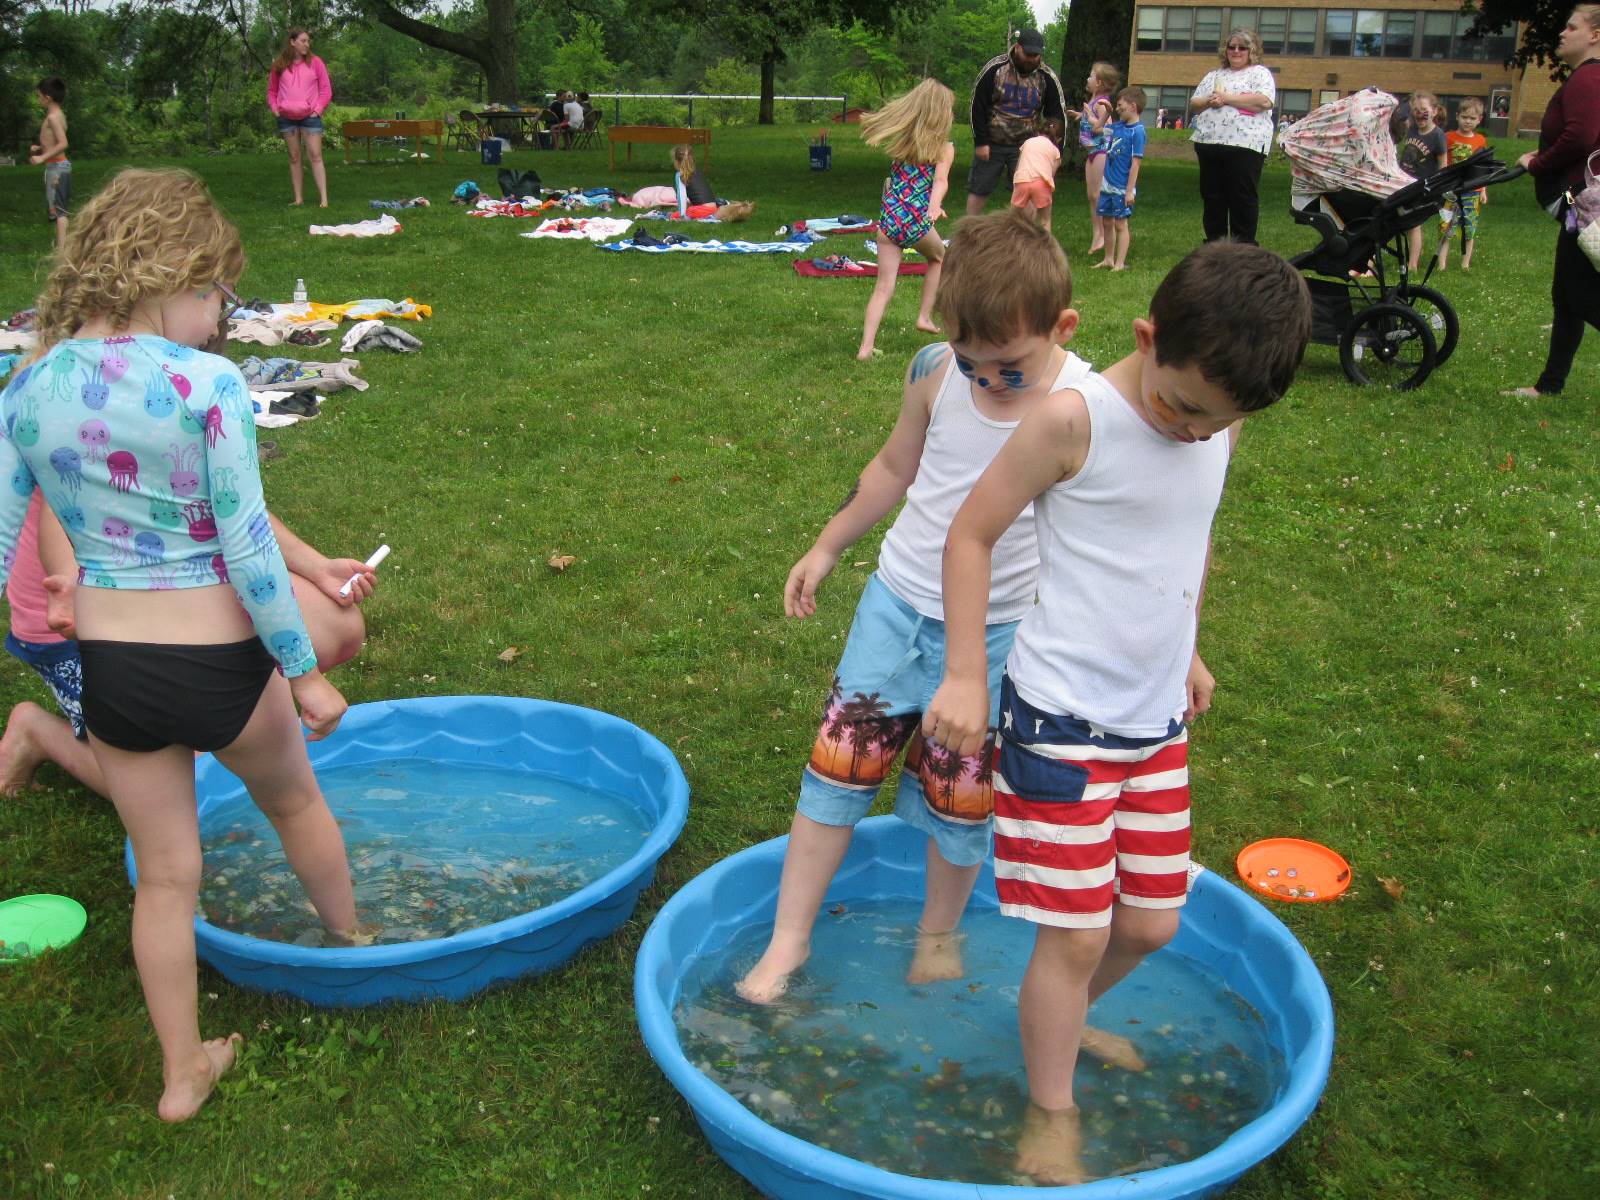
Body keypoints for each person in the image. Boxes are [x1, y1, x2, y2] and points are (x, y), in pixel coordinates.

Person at [922, 240, 1313, 1185]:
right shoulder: (1072, 421)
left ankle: (1061, 1019)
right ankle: (1050, 1105)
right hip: (1062, 723)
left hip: (1154, 724)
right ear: (1146, 338)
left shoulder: (1218, 420)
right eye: (1180, 409)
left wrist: (1189, 646)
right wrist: (968, 676)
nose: (1191, 433)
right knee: (1079, 933)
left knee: (1150, 925)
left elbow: (1188, 535)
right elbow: (971, 535)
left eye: (1215, 423)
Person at [0, 167, 363, 1122]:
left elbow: (7, 540)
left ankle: (181, 1074)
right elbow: (245, 548)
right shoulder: (206, 383)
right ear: (166, 271)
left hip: (111, 671)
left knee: (163, 877)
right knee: (293, 804)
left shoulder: (28, 387)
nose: (217, 316)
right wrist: (303, 672)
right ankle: (357, 944)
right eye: (213, 294)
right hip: (220, 663)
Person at [736, 210, 1090, 1005]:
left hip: (1001, 635)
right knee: (835, 775)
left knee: (962, 800)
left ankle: (937, 933)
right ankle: (789, 940)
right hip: (896, 610)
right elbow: (893, 468)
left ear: (1061, 327)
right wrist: (828, 545)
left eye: (1008, 367)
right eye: (973, 363)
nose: (987, 381)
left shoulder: (1079, 407)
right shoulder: (934, 371)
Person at [0, 492, 378, 798]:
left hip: (176, 592)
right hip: (80, 622)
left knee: (336, 625)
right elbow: (56, 512)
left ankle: (223, 719)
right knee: (184, 791)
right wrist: (72, 589)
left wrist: (316, 566)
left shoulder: (181, 407)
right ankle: (38, 733)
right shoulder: (65, 416)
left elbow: (228, 499)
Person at [1506, 6, 1600, 398]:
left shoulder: (1588, 78)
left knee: (1577, 297)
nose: (1562, 32)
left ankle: (1549, 385)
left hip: (1580, 205)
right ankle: (1549, 386)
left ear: (1594, 35)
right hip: (1577, 206)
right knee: (1566, 297)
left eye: (1572, 26)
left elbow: (1580, 137)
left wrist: (1538, 163)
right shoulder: (1589, 78)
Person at [856, 79, 956, 360]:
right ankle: (924, 316)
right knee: (939, 258)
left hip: (889, 220)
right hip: (915, 221)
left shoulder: (904, 141)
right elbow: (940, 180)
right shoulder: (944, 148)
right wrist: (934, 206)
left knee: (883, 286)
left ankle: (865, 348)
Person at [965, 28, 1066, 216]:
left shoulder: (1046, 77)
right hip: (992, 141)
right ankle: (968, 232)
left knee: (1028, 192)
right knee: (979, 187)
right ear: (1017, 48)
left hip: (1027, 146)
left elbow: (1057, 115)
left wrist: (1054, 152)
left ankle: (1023, 236)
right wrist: (981, 142)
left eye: (1036, 55)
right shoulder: (996, 68)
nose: (1032, 59)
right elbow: (976, 105)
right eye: (1028, 54)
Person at [1188, 29, 1275, 244]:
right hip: (1209, 143)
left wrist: (1226, 98)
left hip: (1245, 146)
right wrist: (1211, 100)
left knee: (1242, 198)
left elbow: (1263, 101)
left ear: (1251, 50)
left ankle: (1243, 246)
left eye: (1242, 47)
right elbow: (1194, 103)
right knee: (1213, 198)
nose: (1236, 51)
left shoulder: (1260, 73)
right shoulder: (1213, 75)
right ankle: (1215, 245)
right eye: (1231, 47)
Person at [267, 27, 332, 208]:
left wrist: (317, 110)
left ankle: (324, 200)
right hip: (287, 117)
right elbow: (272, 91)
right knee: (294, 157)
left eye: (308, 41)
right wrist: (275, 109)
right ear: (292, 42)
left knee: (315, 155)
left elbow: (326, 90)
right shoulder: (279, 65)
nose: (307, 45)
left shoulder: (316, 63)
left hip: (310, 117)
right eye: (303, 41)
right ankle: (298, 199)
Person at [1066, 63, 1119, 255]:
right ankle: (1097, 233)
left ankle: (1103, 235)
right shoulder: (1094, 101)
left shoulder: (1102, 103)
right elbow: (1091, 118)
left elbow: (1106, 126)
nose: (1087, 79)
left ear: (1099, 83)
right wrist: (1081, 115)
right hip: (1091, 152)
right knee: (1091, 195)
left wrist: (1089, 115)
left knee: (1097, 194)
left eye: (1090, 76)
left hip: (1100, 151)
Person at [1094, 88, 1147, 271]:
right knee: (1107, 221)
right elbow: (1097, 129)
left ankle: (1120, 263)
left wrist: (1129, 191)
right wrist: (1106, 113)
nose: (1117, 109)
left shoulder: (1138, 132)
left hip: (1122, 187)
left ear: (1133, 106)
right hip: (1107, 184)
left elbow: (1136, 164)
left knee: (1120, 223)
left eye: (1120, 106)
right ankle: (1108, 259)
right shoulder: (1117, 127)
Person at [1436, 98, 1490, 271]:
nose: (1468, 121)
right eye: (1465, 117)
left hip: (1472, 191)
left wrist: (1483, 191)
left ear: (1479, 120)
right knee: (1446, 227)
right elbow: (1442, 164)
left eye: (1472, 118)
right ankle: (1441, 264)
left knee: (1469, 228)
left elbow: (1483, 168)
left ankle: (1465, 264)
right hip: (1451, 191)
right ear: (1457, 116)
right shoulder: (1447, 137)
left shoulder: (1480, 141)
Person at [1397, 93, 1448, 271]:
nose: (1420, 115)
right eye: (1416, 111)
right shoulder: (1411, 129)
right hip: (1405, 183)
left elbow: (1443, 165)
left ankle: (1413, 265)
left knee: (1414, 224)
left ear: (1434, 111)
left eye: (1424, 111)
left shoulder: (1437, 136)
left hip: (1422, 187)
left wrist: (1439, 187)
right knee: (1399, 220)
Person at [28, 77, 70, 254]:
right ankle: (61, 248)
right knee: (56, 209)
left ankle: (62, 251)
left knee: (60, 212)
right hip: (54, 167)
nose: (38, 100)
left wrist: (42, 157)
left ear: (48, 97)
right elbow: (53, 141)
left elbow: (63, 143)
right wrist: (40, 148)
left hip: (58, 168)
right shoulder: (57, 115)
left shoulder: (53, 117)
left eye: (38, 96)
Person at [1011, 119, 1063, 227]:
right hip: (1041, 183)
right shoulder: (1055, 151)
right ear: (1058, 139)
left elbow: (1018, 166)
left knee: (1013, 219)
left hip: (1021, 180)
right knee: (1045, 221)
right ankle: (1046, 243)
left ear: (1038, 132)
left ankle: (1011, 242)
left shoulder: (1028, 142)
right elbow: (1050, 175)